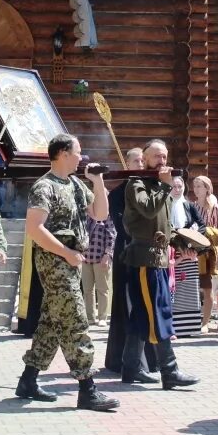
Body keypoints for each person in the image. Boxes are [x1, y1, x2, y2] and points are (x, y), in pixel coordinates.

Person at [15, 134, 118, 412]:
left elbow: (99, 214)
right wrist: (65, 253)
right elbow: (35, 228)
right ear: (62, 153)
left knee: (50, 322)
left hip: (70, 260)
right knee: (75, 320)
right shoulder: (44, 186)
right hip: (55, 260)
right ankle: (87, 389)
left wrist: (97, 183)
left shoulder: (75, 184)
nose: (81, 157)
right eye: (77, 152)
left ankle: (28, 380)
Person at [119, 139, 199, 389]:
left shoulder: (158, 186)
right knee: (158, 314)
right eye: (157, 157)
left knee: (142, 317)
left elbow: (162, 227)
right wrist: (165, 187)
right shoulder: (137, 183)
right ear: (145, 159)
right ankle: (169, 370)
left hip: (160, 258)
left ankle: (130, 368)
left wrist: (181, 242)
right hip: (144, 260)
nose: (162, 162)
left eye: (165, 157)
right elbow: (147, 210)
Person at [104, 147, 158, 374]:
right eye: (135, 160)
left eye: (142, 160)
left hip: (147, 253)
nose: (139, 163)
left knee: (147, 305)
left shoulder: (150, 189)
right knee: (125, 305)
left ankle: (150, 361)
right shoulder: (117, 194)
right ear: (127, 164)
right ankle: (123, 360)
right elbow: (122, 226)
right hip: (127, 252)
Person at [168, 177, 205, 337]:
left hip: (189, 254)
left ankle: (189, 328)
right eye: (174, 186)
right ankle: (172, 327)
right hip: (171, 252)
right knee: (171, 290)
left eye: (180, 186)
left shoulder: (189, 205)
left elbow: (202, 225)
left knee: (189, 289)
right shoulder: (165, 205)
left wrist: (193, 242)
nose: (177, 189)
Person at [192, 175, 218, 333]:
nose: (197, 189)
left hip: (208, 252)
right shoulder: (192, 206)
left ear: (207, 188)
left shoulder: (214, 208)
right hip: (193, 251)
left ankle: (205, 322)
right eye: (195, 186)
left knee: (207, 288)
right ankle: (194, 319)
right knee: (194, 287)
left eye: (200, 186)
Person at [80, 214, 115, 327]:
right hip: (85, 257)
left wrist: (107, 255)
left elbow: (111, 236)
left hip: (101, 258)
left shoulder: (106, 215)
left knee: (102, 289)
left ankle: (102, 317)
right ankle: (90, 317)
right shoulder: (84, 216)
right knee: (87, 290)